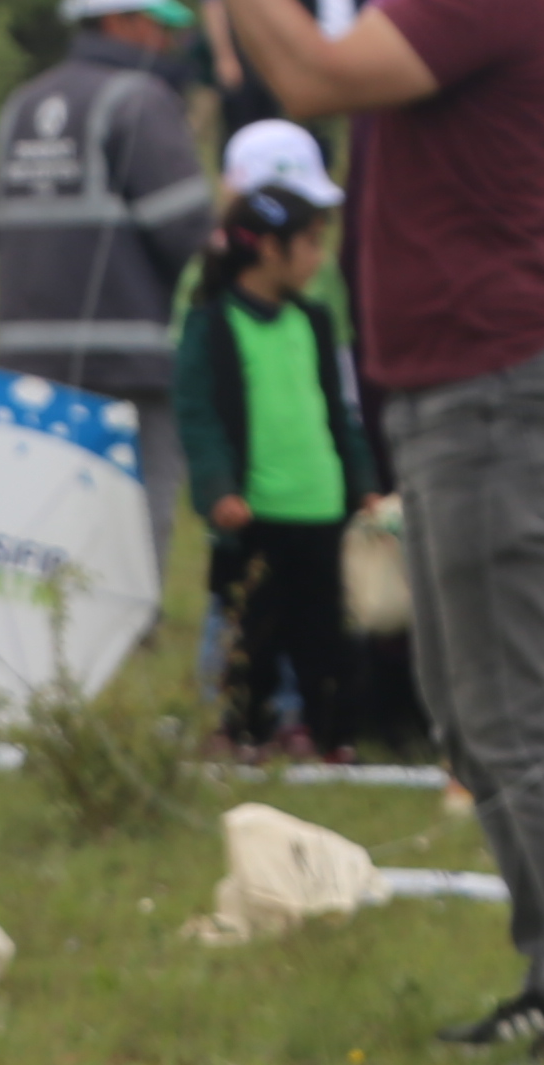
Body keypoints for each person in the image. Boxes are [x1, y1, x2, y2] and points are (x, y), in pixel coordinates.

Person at [211, 0, 544, 1065]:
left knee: (517, 713)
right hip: (452, 394)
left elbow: (312, 76)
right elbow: (305, 66)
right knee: (471, 715)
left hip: (495, 389)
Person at [0, 0, 221, 576]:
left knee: (42, 537)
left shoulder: (21, 106)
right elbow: (190, 231)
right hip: (129, 367)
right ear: (120, 20)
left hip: (27, 363)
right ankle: (124, 656)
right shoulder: (140, 100)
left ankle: (53, 658)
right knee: (129, 542)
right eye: (161, 22)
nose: (171, 38)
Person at [177, 173, 388, 750]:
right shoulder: (212, 325)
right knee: (252, 638)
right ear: (270, 248)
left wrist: (362, 483)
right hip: (254, 517)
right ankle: (243, 735)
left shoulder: (314, 322)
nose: (320, 257)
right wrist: (219, 488)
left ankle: (327, 739)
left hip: (321, 509)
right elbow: (197, 416)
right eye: (312, 242)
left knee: (325, 638)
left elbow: (339, 413)